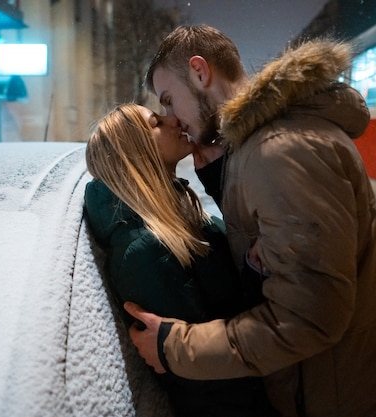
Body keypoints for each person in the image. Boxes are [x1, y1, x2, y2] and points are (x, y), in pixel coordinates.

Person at [124, 25, 376, 417]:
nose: (173, 118)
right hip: (330, 388)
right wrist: (221, 178)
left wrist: (175, 347)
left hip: (339, 398)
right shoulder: (262, 146)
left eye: (169, 100)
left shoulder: (280, 151)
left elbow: (306, 318)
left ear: (199, 71)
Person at [83, 103, 277, 417]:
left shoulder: (176, 215)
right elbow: (203, 370)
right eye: (157, 122)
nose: (174, 120)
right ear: (138, 154)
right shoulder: (145, 251)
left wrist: (216, 179)